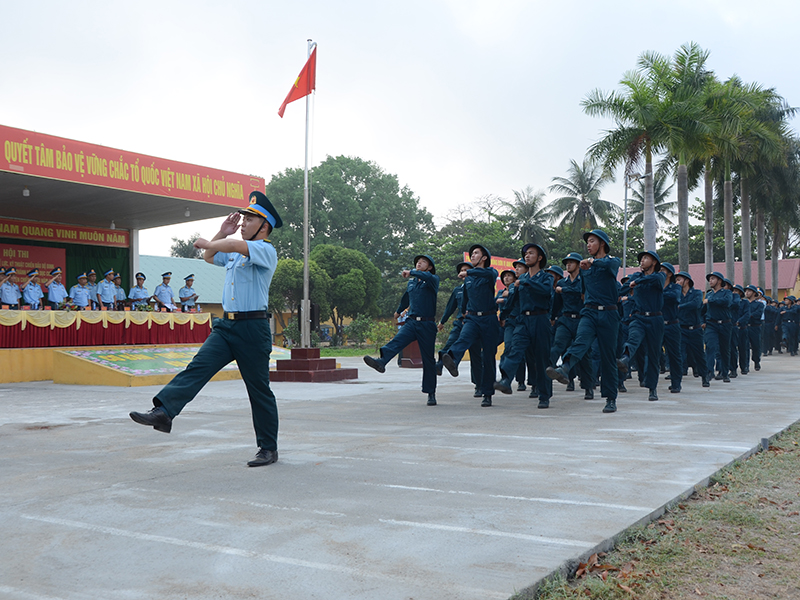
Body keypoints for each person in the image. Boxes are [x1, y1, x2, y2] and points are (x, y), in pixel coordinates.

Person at [130, 191, 283, 467]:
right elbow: (210, 256)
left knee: (259, 390)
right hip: (226, 326)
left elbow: (231, 247)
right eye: (245, 218)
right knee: (198, 367)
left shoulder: (265, 250)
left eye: (250, 219)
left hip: (253, 328)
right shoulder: (235, 251)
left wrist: (205, 241)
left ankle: (268, 448)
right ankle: (164, 412)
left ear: (265, 227)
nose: (244, 222)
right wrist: (219, 233)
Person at [546, 229, 620, 414]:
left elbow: (608, 266)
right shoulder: (585, 270)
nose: (588, 245)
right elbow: (583, 293)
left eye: (592, 241)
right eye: (587, 241)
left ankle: (610, 398)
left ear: (602, 244)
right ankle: (565, 367)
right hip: (589, 312)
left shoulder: (612, 262)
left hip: (609, 314)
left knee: (608, 357)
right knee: (581, 341)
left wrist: (592, 262)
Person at [363, 254, 440, 405]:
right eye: (417, 262)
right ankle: (382, 361)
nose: (419, 263)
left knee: (428, 360)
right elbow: (406, 298)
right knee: (398, 340)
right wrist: (398, 311)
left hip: (427, 324)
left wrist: (412, 272)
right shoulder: (412, 283)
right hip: (411, 322)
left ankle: (431, 393)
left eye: (423, 262)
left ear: (429, 267)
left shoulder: (433, 280)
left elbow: (427, 278)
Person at [440, 244, 500, 407]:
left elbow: (485, 273)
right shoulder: (469, 279)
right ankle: (451, 359)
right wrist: (464, 314)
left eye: (475, 253)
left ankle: (487, 394)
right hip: (472, 318)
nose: (472, 256)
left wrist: (468, 272)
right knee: (463, 339)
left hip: (488, 319)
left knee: (488, 357)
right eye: (471, 254)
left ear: (484, 258)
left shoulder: (490, 272)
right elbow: (465, 299)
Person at [494, 243, 554, 408]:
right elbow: (512, 301)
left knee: (541, 360)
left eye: (531, 253)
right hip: (522, 321)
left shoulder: (545, 277)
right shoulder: (520, 281)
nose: (527, 256)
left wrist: (526, 284)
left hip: (541, 319)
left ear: (539, 257)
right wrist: (503, 315)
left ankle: (544, 395)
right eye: (526, 254)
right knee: (515, 350)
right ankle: (506, 379)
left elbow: (545, 290)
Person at [616, 250, 665, 401]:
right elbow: (622, 288)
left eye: (646, 258)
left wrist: (637, 282)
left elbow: (655, 280)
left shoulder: (660, 276)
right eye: (641, 258)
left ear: (654, 262)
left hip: (655, 319)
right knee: (633, 339)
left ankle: (652, 388)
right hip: (638, 317)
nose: (642, 261)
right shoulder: (636, 276)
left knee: (653, 354)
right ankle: (625, 358)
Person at [435, 261, 483, 397]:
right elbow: (450, 307)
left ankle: (479, 385)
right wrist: (442, 321)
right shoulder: (458, 290)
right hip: (460, 323)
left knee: (476, 357)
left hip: (475, 324)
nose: (463, 272)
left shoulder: (479, 286)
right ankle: (440, 365)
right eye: (462, 270)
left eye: (467, 269)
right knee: (450, 344)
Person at [550, 252, 594, 398]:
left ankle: (588, 387)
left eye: (571, 262)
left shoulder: (583, 280)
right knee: (558, 346)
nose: (568, 265)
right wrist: (552, 317)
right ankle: (552, 374)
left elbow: (581, 292)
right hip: (565, 319)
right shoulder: (562, 282)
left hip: (582, 319)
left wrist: (564, 290)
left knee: (584, 354)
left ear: (577, 264)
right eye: (566, 262)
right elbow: (557, 303)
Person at [675, 271, 709, 387]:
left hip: (695, 329)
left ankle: (705, 377)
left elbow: (696, 304)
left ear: (687, 281)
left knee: (699, 354)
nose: (677, 282)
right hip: (681, 329)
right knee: (679, 355)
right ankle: (676, 382)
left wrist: (680, 306)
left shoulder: (697, 293)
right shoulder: (676, 294)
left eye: (679, 279)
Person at [703, 271, 732, 383]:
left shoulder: (726, 293)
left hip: (725, 324)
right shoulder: (709, 294)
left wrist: (710, 301)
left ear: (719, 281)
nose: (710, 281)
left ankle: (725, 373)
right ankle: (709, 372)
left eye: (713, 279)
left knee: (724, 349)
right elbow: (703, 310)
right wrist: (702, 321)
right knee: (710, 347)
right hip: (711, 324)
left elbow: (726, 302)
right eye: (709, 279)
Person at [660, 262, 683, 393]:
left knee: (674, 354)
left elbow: (674, 297)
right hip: (657, 324)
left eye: (663, 270)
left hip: (672, 324)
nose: (660, 273)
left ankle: (676, 383)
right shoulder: (655, 286)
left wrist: (658, 295)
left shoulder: (675, 287)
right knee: (652, 352)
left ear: (669, 274)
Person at [745, 285, 763, 371]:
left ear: (754, 293)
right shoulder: (743, 303)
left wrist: (747, 316)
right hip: (745, 327)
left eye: (749, 291)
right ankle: (745, 365)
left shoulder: (759, 304)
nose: (747, 292)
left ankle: (756, 361)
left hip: (755, 327)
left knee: (756, 346)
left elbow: (757, 314)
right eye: (746, 291)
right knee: (745, 346)